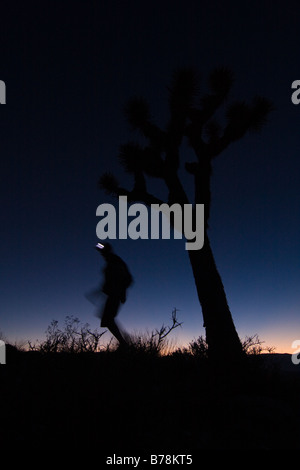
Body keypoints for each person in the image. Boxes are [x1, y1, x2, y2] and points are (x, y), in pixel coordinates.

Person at [95, 242, 133, 346]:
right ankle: (124, 342)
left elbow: (124, 278)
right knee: (107, 319)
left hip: (115, 294)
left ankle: (124, 343)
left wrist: (121, 292)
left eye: (102, 251)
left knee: (107, 319)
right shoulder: (112, 261)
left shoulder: (114, 260)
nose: (101, 254)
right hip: (113, 293)